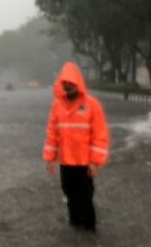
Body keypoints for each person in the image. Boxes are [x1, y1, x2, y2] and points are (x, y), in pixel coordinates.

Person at [43, 62, 109, 231]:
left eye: (72, 84)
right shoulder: (57, 106)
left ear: (78, 83)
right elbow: (52, 133)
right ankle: (75, 222)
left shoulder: (91, 105)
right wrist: (50, 158)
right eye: (66, 84)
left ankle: (89, 226)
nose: (69, 88)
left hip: (84, 162)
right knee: (68, 192)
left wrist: (95, 161)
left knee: (86, 195)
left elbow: (100, 135)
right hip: (66, 161)